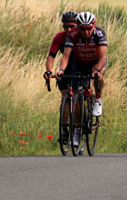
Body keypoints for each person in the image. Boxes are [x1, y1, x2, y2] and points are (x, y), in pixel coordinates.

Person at [56, 12, 108, 146]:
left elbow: (102, 57)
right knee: (76, 97)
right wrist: (61, 70)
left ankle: (97, 99)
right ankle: (77, 131)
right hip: (79, 63)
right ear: (78, 27)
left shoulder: (99, 34)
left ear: (93, 26)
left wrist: (97, 70)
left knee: (98, 76)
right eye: (83, 29)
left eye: (89, 28)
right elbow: (66, 56)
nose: (86, 31)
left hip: (95, 62)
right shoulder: (73, 35)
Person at [45, 11, 78, 92]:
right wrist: (49, 71)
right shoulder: (59, 37)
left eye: (72, 26)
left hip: (81, 63)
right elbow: (51, 57)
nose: (68, 29)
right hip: (67, 64)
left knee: (79, 91)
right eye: (65, 27)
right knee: (63, 88)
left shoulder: (82, 36)